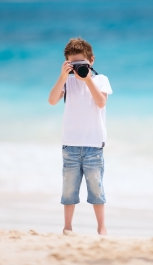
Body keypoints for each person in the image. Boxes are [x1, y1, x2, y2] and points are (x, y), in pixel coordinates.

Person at [48, 38, 113, 235]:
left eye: (81, 65)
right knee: (69, 190)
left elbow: (101, 102)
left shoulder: (101, 80)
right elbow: (52, 101)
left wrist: (87, 80)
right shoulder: (67, 82)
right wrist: (62, 76)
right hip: (71, 145)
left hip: (94, 145)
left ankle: (101, 227)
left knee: (96, 188)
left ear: (91, 61)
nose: (77, 70)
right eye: (73, 65)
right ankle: (67, 227)